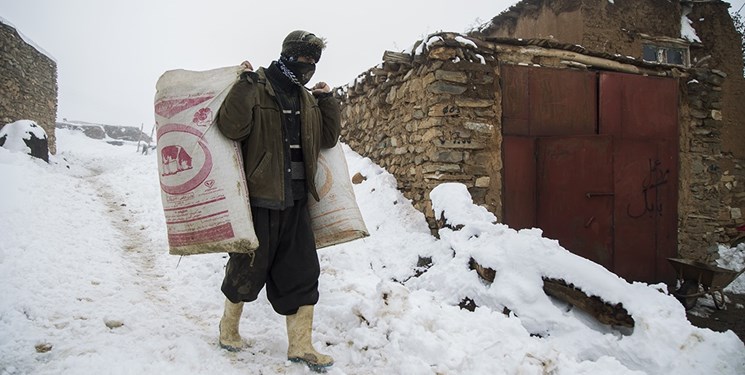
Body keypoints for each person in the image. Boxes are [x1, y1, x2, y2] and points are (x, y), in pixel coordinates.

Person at [214, 30, 341, 372]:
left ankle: (301, 346)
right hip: (260, 199)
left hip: (298, 201)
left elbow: (329, 138)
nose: (308, 67)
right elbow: (231, 128)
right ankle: (228, 330)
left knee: (302, 272)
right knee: (246, 268)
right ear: (288, 55)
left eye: (314, 62)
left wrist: (327, 101)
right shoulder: (256, 87)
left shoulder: (308, 99)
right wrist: (241, 85)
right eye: (303, 59)